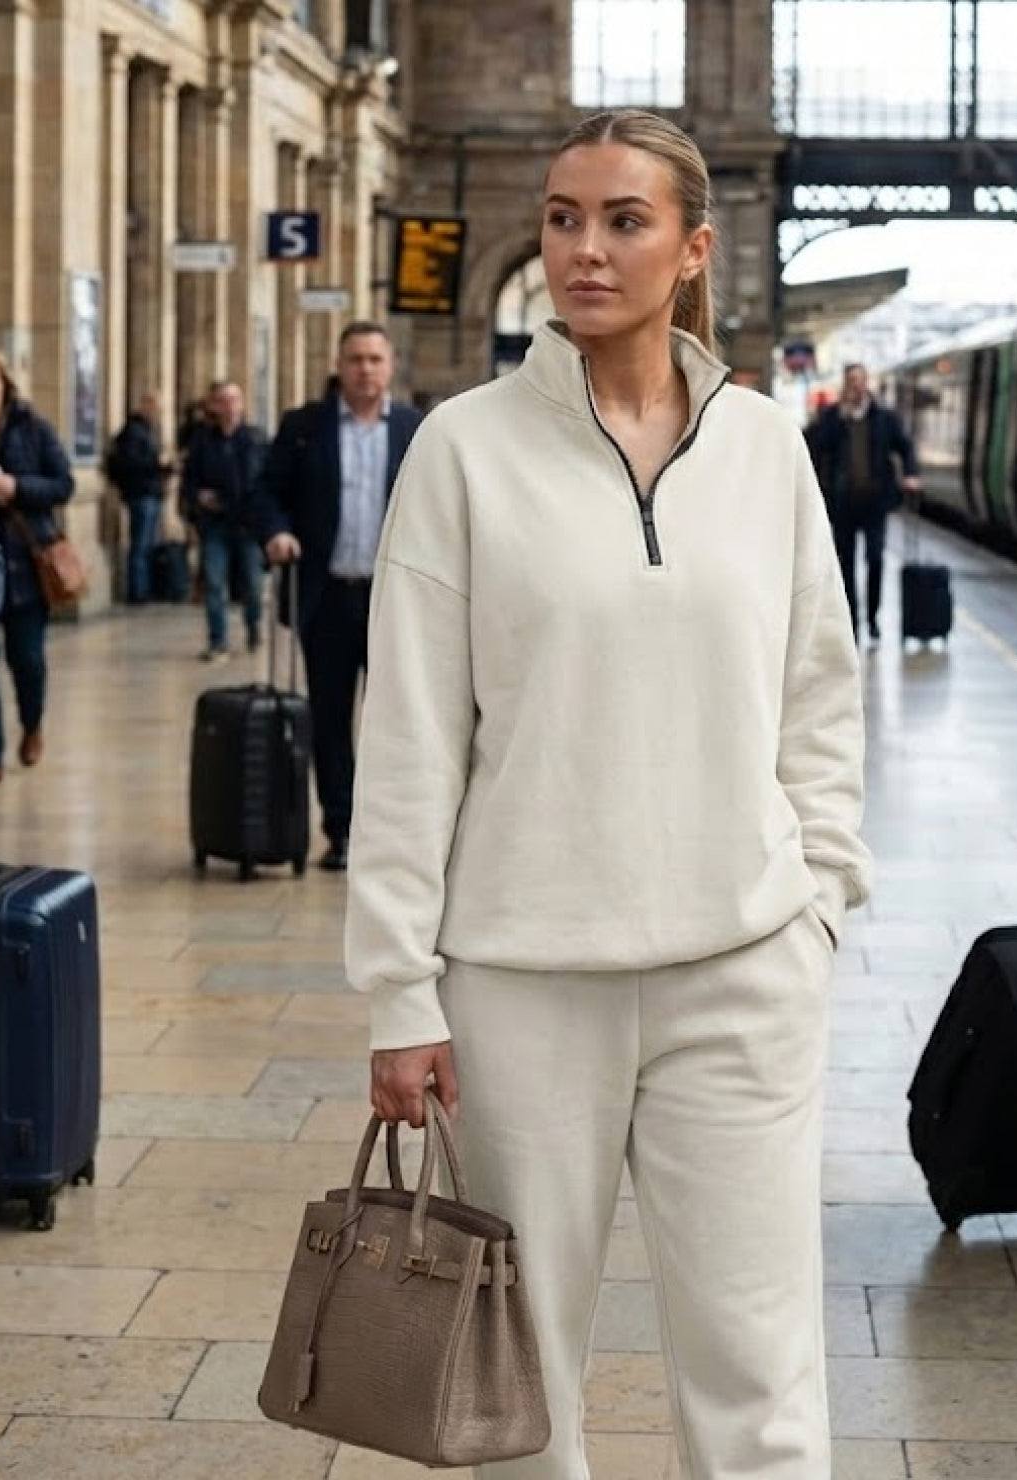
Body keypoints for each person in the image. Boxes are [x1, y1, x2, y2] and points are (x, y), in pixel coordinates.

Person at [344, 110, 872, 1479]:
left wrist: (816, 901)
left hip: (742, 975)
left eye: (622, 220)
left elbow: (819, 696)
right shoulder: (462, 449)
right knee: (518, 1382)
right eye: (564, 216)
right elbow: (404, 734)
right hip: (521, 985)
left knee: (760, 1373)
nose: (583, 248)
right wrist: (400, 990)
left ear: (692, 249)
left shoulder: (767, 450)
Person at [252, 322, 423, 872]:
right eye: (355, 359)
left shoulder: (417, 430)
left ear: (390, 366)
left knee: (395, 718)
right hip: (325, 598)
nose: (366, 370)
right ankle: (341, 827)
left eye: (375, 359)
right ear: (340, 365)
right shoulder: (305, 427)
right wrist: (276, 531)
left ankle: (392, 829)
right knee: (327, 717)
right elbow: (266, 493)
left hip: (394, 600)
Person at [0, 347, 75, 785]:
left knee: (27, 661)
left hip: (25, 565)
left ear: (4, 385)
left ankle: (32, 722)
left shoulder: (32, 429)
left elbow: (63, 484)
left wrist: (16, 487)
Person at [809, 362, 920, 645]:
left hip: (875, 504)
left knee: (875, 560)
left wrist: (911, 474)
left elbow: (905, 446)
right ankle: (852, 624)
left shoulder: (884, 418)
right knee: (845, 567)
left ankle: (873, 619)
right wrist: (839, 417)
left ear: (866, 383)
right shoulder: (833, 417)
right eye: (851, 381)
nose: (855, 386)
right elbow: (815, 445)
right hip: (842, 504)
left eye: (859, 381)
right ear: (845, 385)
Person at [181, 380, 266, 662]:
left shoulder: (255, 439)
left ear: (242, 404)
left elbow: (264, 481)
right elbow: (189, 480)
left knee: (252, 585)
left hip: (247, 524)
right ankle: (218, 640)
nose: (229, 406)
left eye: (234, 400)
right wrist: (198, 498)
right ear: (215, 405)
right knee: (215, 583)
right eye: (223, 400)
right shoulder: (203, 441)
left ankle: (253, 625)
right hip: (215, 524)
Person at [106, 391, 174, 604]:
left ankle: (143, 588)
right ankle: (138, 591)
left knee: (146, 543)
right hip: (141, 493)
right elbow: (133, 463)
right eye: (154, 407)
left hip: (150, 492)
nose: (157, 413)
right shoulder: (134, 432)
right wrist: (158, 464)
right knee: (140, 544)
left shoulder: (147, 430)